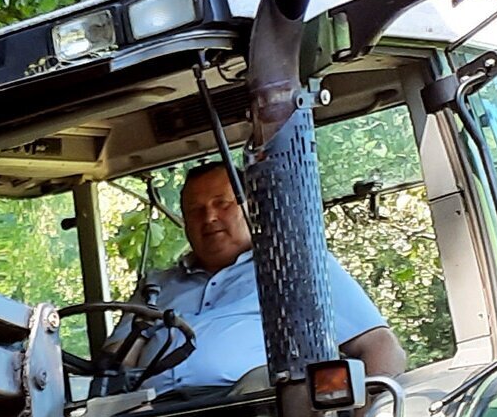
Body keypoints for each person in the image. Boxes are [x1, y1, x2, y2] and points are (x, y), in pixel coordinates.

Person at [138, 159, 409, 392]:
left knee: (264, 382)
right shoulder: (156, 286)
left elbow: (380, 347)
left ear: (251, 208)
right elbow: (116, 363)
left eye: (222, 204)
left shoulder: (296, 267)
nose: (209, 217)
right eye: (195, 211)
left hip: (254, 411)